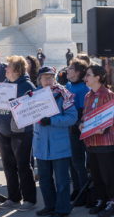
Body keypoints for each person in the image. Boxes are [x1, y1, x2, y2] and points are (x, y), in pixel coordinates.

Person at [30, 66, 77, 217]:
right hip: (41, 144)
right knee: (44, 180)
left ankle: (62, 209)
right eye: (45, 78)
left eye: (50, 77)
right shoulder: (32, 96)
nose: (48, 80)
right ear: (40, 80)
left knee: (62, 181)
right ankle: (50, 206)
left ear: (55, 78)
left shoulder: (64, 95)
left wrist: (52, 120)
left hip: (59, 144)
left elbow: (72, 118)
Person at [0, 56, 38, 211]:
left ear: (17, 70)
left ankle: (30, 200)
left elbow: (32, 108)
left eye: (8, 66)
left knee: (23, 166)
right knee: (8, 166)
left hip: (21, 132)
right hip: (3, 130)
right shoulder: (6, 83)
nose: (5, 68)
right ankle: (13, 198)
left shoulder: (27, 86)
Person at [81, 64, 114, 216]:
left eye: (88, 74)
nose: (85, 78)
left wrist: (105, 128)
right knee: (96, 175)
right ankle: (101, 200)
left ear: (97, 78)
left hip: (106, 142)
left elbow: (111, 118)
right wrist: (81, 124)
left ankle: (111, 202)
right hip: (91, 142)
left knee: (108, 176)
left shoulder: (108, 94)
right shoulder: (88, 96)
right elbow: (85, 116)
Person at [65, 57, 90, 201]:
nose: (67, 70)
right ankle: (76, 188)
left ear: (79, 72)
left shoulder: (83, 88)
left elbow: (82, 112)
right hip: (67, 129)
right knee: (70, 162)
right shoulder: (68, 85)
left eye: (70, 68)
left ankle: (84, 191)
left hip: (76, 130)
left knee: (78, 162)